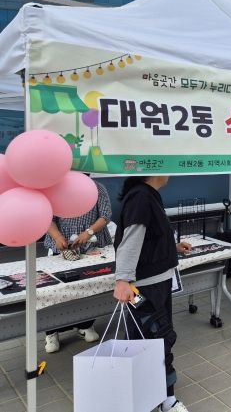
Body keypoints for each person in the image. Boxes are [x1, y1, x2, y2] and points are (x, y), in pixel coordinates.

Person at [113, 176, 193, 412]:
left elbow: (148, 238)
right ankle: (162, 399)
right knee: (154, 339)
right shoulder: (141, 196)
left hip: (157, 282)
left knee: (154, 338)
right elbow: (131, 239)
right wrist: (123, 280)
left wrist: (172, 248)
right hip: (146, 288)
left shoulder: (146, 195)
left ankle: (155, 395)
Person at [43, 180, 112, 353]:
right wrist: (57, 237)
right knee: (55, 291)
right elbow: (46, 217)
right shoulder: (54, 188)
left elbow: (105, 215)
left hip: (91, 245)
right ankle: (51, 331)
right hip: (61, 246)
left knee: (88, 287)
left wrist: (88, 232)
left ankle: (85, 324)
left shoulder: (97, 187)